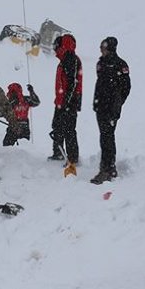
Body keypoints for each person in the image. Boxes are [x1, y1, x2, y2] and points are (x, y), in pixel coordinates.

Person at [90, 36, 131, 184]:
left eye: (103, 47)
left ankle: (108, 168)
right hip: (101, 106)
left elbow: (126, 87)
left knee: (108, 136)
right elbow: (100, 83)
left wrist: (118, 103)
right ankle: (106, 166)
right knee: (104, 136)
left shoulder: (120, 65)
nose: (101, 50)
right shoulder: (101, 63)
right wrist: (97, 101)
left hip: (112, 107)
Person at [48, 34, 83, 165]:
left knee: (69, 129)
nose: (54, 50)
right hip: (61, 101)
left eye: (56, 47)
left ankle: (73, 158)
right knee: (57, 126)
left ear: (62, 46)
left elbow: (72, 83)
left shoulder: (71, 59)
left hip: (69, 102)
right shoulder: (64, 60)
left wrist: (67, 103)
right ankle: (58, 152)